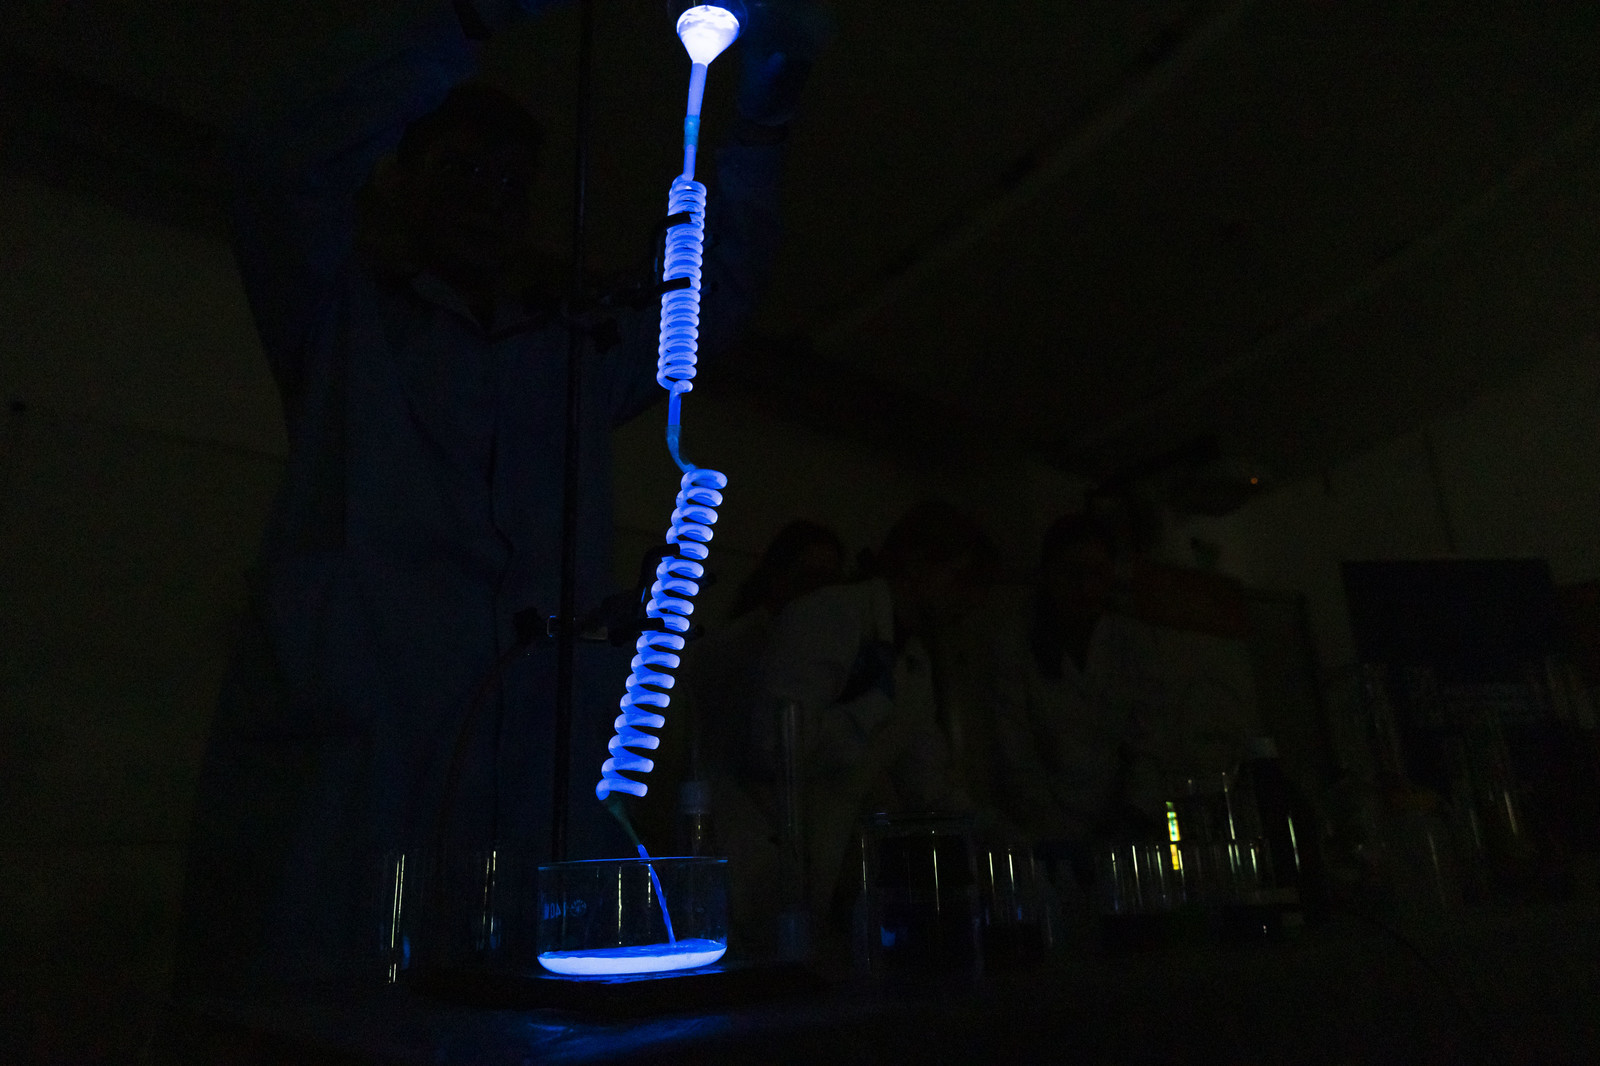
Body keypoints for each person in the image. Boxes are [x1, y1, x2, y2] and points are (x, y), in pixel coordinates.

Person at [174, 0, 825, 994]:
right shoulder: (342, 320)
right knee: (335, 1008)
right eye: (461, 173)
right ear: (399, 177)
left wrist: (763, 125)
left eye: (510, 185)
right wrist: (463, 18)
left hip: (535, 785)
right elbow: (274, 162)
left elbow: (709, 291)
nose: (487, 202)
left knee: (525, 1007)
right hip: (357, 775)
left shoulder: (571, 353)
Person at [755, 502, 995, 926]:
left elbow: (927, 783)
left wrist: (1001, 839)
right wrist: (867, 710)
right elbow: (773, 748)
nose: (971, 600)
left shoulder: (913, 662)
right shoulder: (829, 615)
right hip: (760, 857)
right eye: (962, 579)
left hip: (815, 873)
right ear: (916, 564)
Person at [991, 514, 1169, 850]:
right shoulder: (1016, 643)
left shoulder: (1132, 642)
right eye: (1073, 574)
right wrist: (1055, 832)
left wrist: (1133, 815)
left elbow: (1150, 742)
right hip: (1042, 833)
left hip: (1123, 829)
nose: (1086, 588)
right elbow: (1015, 753)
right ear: (1048, 575)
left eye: (1097, 574)